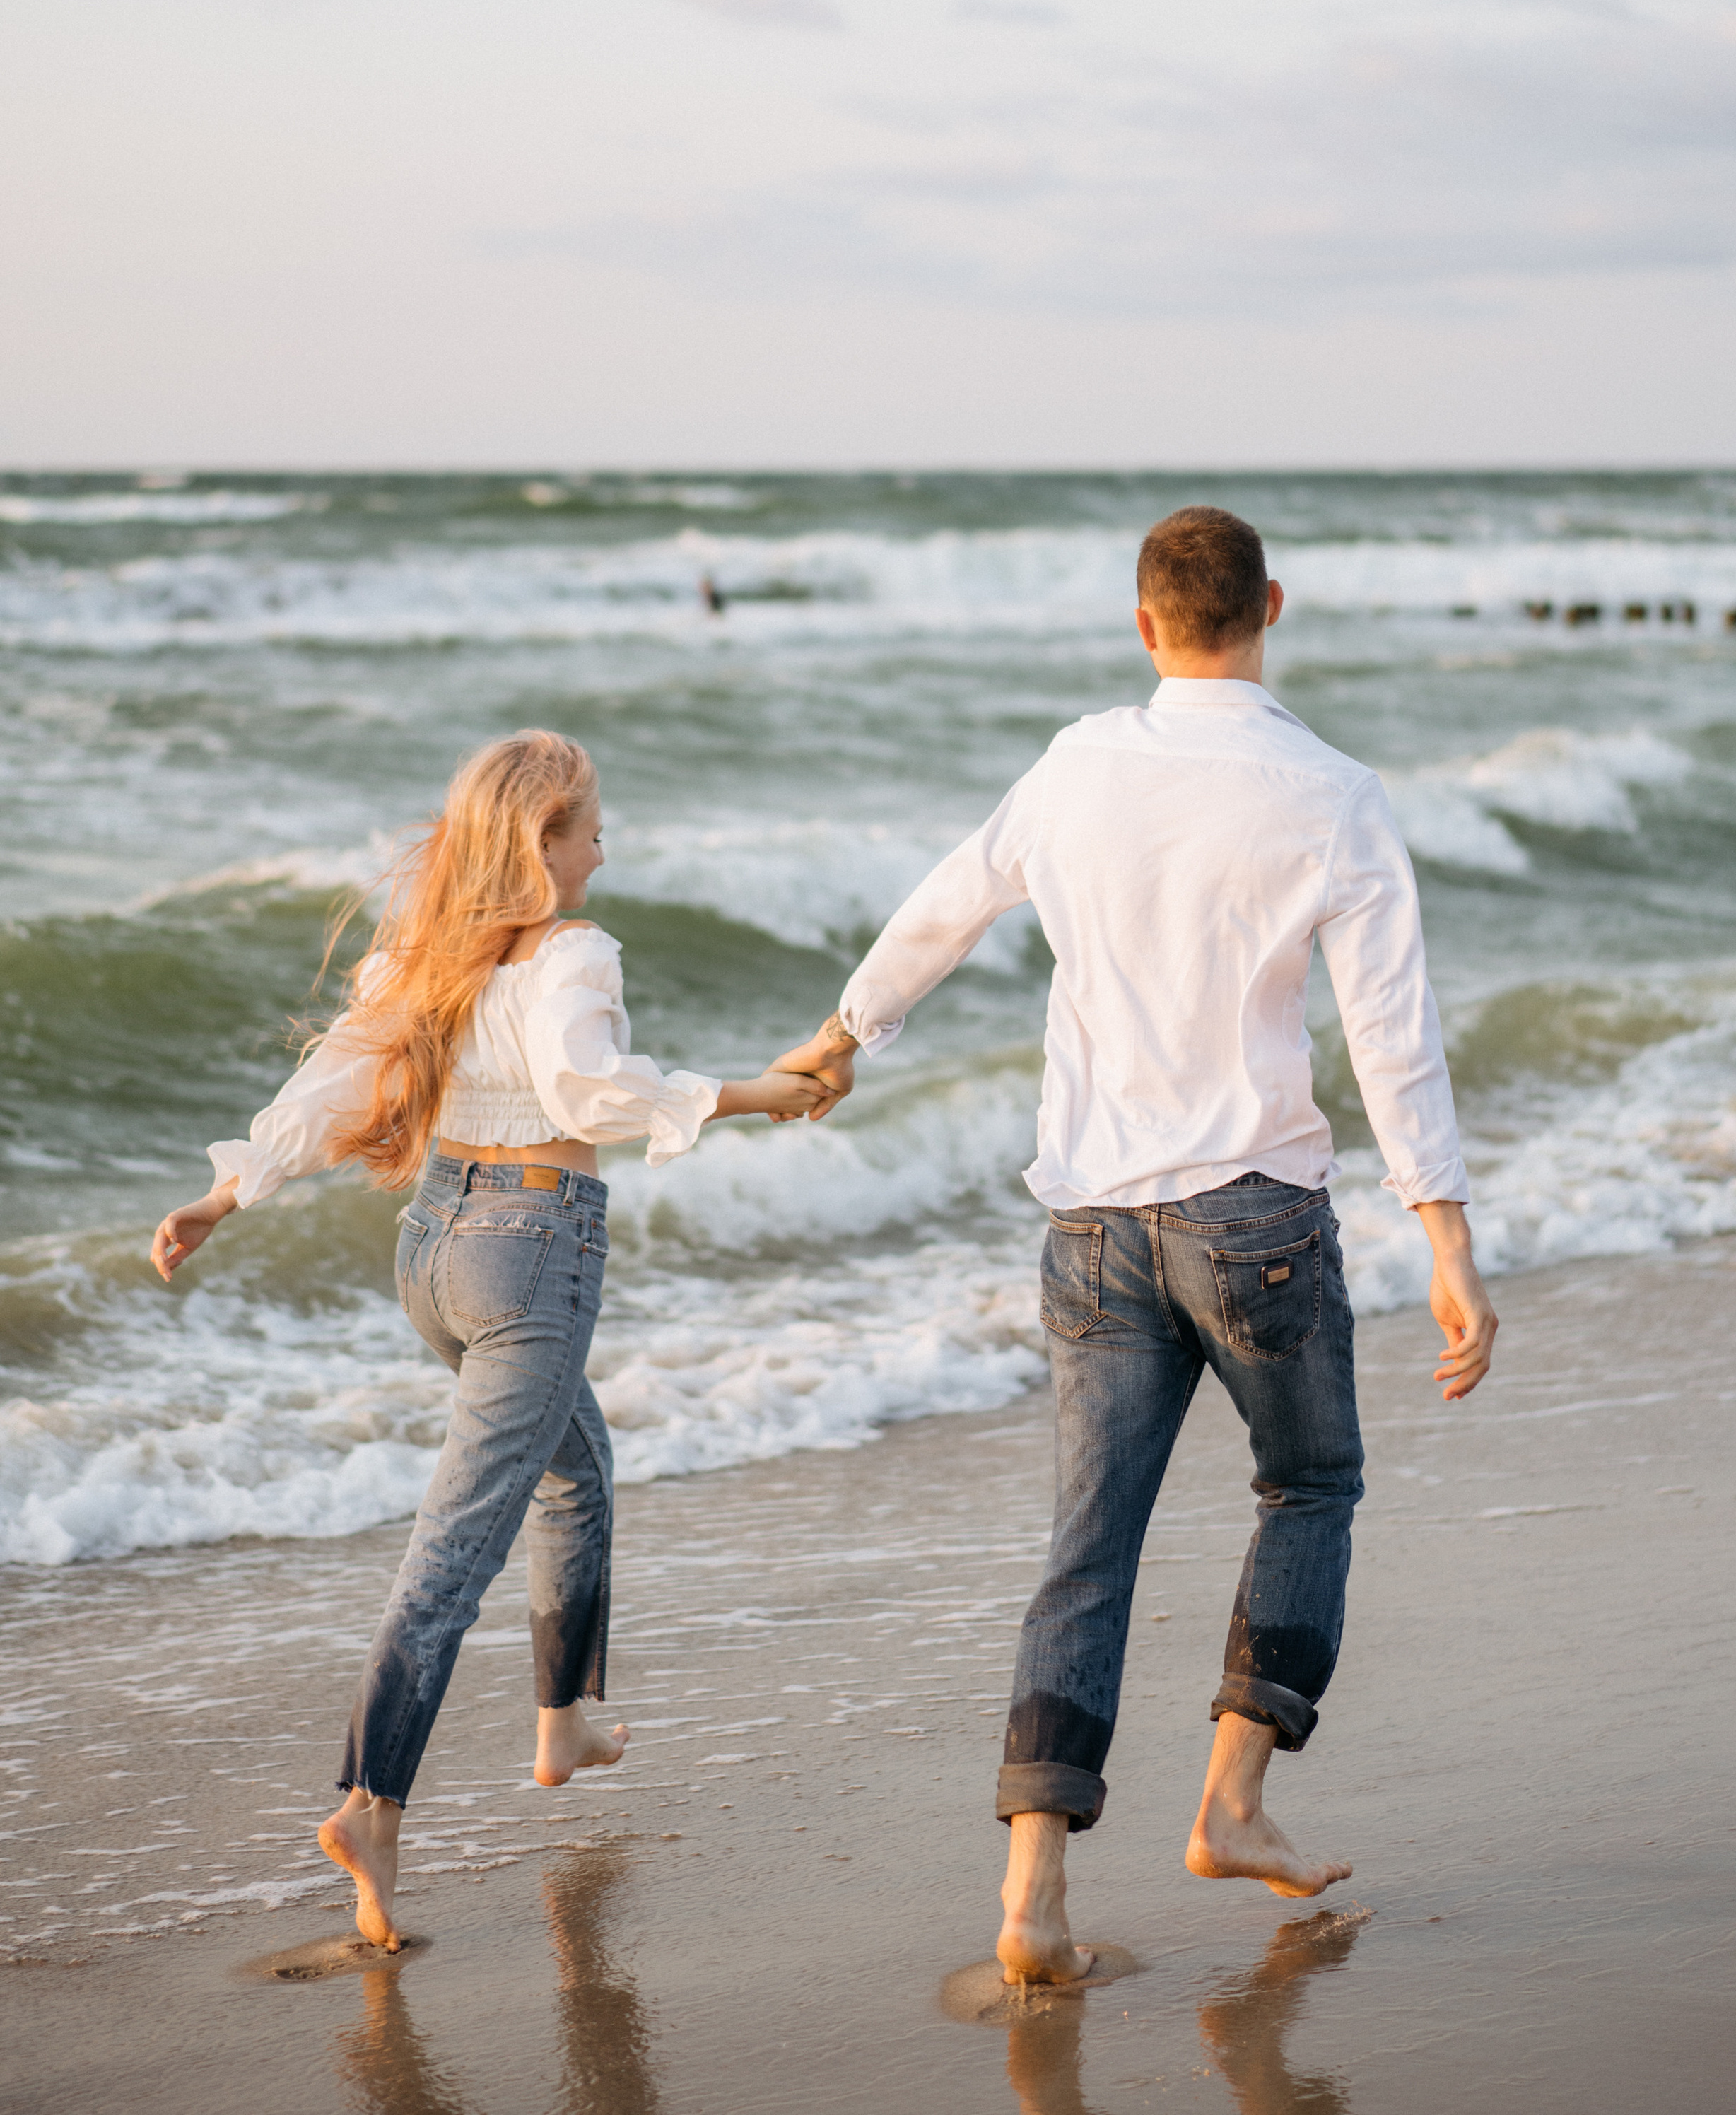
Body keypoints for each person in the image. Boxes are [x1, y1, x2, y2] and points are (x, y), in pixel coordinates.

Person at [773, 506, 1497, 1984]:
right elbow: (1389, 1035)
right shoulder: (1333, 793)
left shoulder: (1076, 762)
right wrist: (1447, 1238)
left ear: (1142, 622)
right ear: (1269, 606)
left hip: (1092, 1223)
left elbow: (946, 899)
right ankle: (1229, 1802)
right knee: (1309, 1482)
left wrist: (847, 1031)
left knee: (1084, 1551)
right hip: (1254, 1222)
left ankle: (1031, 1892)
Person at [151, 730, 829, 1952]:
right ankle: (370, 1798)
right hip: (532, 1255)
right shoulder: (575, 949)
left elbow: (335, 1085)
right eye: (590, 827)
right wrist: (744, 1093)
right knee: (453, 1553)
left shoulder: (431, 952)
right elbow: (584, 1093)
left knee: (578, 1468)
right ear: (543, 842)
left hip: (434, 1251)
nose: (603, 843)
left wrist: (229, 1190)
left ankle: (564, 1715)